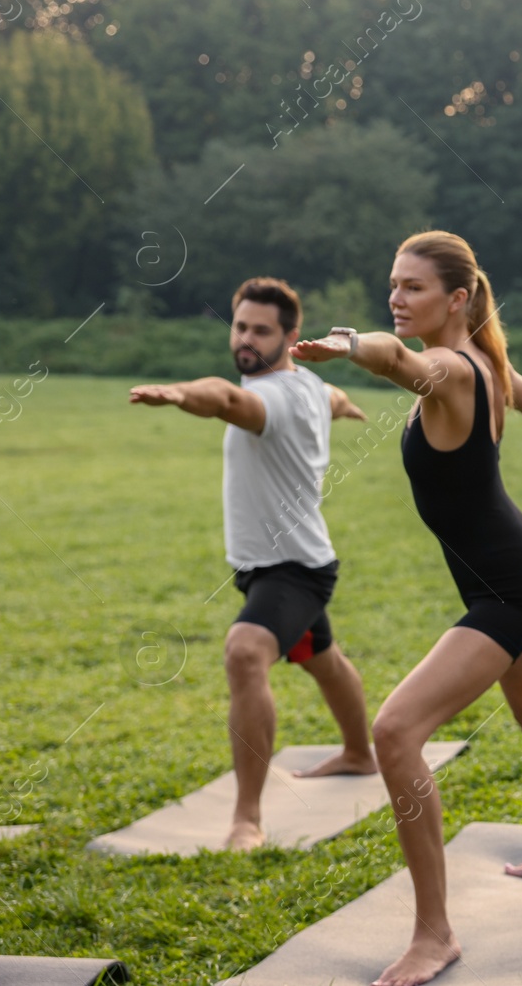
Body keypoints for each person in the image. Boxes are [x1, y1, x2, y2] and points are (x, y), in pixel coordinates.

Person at [291, 230, 522, 986]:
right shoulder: (490, 363)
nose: (397, 297)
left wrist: (347, 343)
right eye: (392, 285)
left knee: (395, 731)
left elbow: (402, 361)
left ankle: (434, 933)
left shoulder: (450, 369)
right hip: (508, 576)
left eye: (413, 287)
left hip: (506, 589)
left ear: (457, 297)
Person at [128, 277, 375, 852]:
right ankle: (360, 753)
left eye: (261, 331)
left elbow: (227, 399)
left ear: (290, 336)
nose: (246, 338)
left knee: (245, 651)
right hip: (281, 562)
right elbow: (332, 398)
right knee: (323, 658)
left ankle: (247, 819)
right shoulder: (309, 385)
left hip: (293, 567)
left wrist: (181, 394)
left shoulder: (271, 397)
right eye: (240, 326)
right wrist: (348, 407)